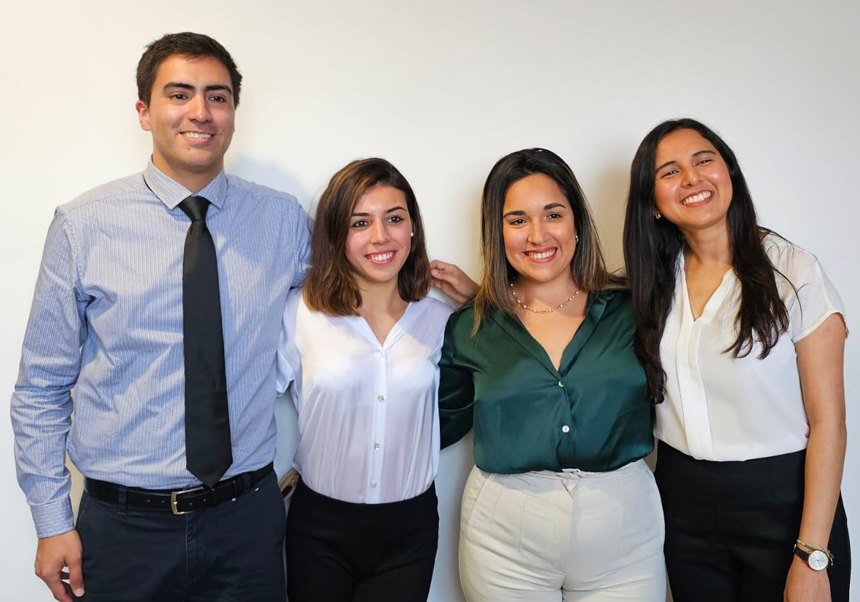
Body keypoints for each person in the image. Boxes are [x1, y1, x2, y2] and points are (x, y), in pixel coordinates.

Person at [11, 32, 310, 602]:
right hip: (124, 530)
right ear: (145, 112)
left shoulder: (282, 222)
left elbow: (352, 299)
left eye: (217, 97)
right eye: (180, 94)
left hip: (246, 522)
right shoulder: (83, 227)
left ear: (233, 113)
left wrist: (486, 295)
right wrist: (52, 522)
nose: (200, 112)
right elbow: (41, 389)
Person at [623, 118, 851, 602]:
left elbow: (829, 423)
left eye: (703, 160)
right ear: (652, 202)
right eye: (669, 171)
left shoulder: (792, 269)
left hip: (785, 505)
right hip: (681, 507)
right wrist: (486, 298)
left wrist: (813, 554)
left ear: (729, 171)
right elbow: (564, 303)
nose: (691, 178)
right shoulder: (651, 281)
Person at [439, 148, 666, 602]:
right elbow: (437, 425)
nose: (537, 234)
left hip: (624, 531)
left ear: (578, 223)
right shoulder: (471, 325)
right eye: (517, 220)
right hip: (503, 538)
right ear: (497, 232)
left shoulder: (633, 309)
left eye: (553, 214)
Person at [276, 157, 477, 602]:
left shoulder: (443, 318)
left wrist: (484, 302)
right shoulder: (301, 312)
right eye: (360, 223)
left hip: (409, 530)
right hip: (318, 528)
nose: (380, 237)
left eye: (394, 219)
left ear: (413, 229)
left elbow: (511, 363)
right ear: (337, 234)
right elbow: (244, 398)